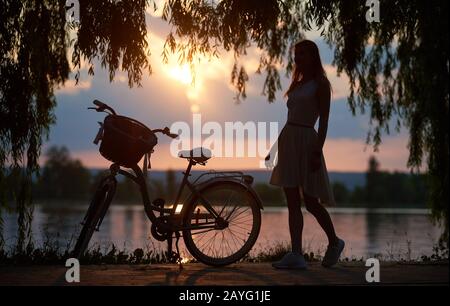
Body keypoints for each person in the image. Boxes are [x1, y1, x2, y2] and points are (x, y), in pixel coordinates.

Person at [267, 40, 344, 269]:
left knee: (310, 201)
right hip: (289, 139)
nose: (297, 58)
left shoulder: (320, 84)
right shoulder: (298, 84)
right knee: (292, 201)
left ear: (313, 56)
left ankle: (334, 242)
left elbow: (325, 121)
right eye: (296, 53)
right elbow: (291, 117)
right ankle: (297, 254)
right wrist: (275, 149)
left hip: (307, 141)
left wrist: (316, 151)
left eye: (302, 54)